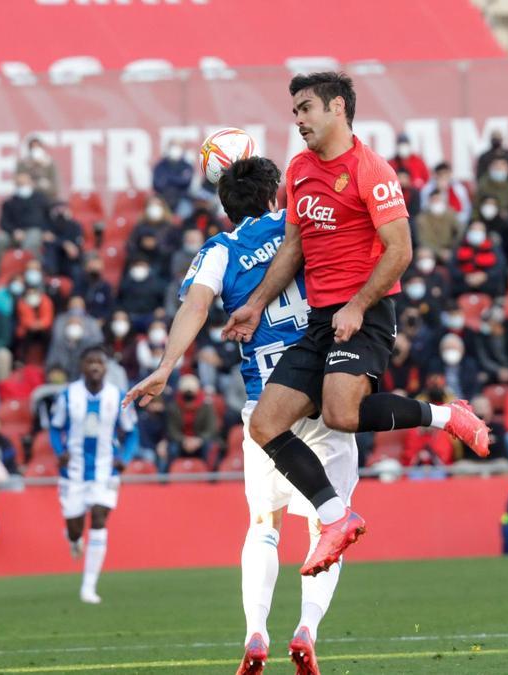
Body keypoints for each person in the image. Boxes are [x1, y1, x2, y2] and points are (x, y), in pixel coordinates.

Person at [223, 72, 489, 588]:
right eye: (294, 110)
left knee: (341, 413)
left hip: (365, 314)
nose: (297, 119)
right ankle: (335, 517)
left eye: (305, 109)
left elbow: (401, 251)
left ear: (337, 108)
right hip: (321, 321)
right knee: (264, 425)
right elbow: (293, 248)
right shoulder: (299, 170)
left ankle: (444, 414)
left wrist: (358, 304)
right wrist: (256, 304)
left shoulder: (371, 170)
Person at [122, 156, 358, 674]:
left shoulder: (219, 250)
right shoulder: (299, 222)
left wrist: (165, 367)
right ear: (273, 192)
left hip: (265, 406)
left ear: (223, 206)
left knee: (263, 525)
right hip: (320, 386)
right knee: (329, 526)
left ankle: (256, 632)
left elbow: (196, 306)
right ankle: (307, 628)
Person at [48, 346, 138, 605]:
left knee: (99, 517)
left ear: (106, 367)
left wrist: (126, 458)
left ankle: (89, 587)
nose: (95, 366)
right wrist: (60, 451)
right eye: (90, 362)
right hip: (73, 471)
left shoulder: (118, 397)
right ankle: (74, 538)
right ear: (82, 367)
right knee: (75, 529)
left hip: (104, 469)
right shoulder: (67, 396)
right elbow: (55, 428)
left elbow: (131, 432)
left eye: (99, 362)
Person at [0, 173, 48, 264]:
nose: (23, 187)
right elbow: (3, 222)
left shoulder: (40, 199)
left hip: (34, 230)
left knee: (31, 242)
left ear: (32, 183)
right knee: (0, 239)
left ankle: (31, 273)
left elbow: (47, 218)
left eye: (25, 183)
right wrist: (14, 231)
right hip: (15, 233)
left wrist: (46, 231)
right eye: (20, 184)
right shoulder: (9, 202)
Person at [450, 220, 506, 296]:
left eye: (480, 230)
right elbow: (452, 266)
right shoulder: (460, 246)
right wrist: (465, 276)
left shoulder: (493, 247)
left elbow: (500, 266)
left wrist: (485, 275)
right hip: (464, 284)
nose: (476, 232)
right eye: (474, 230)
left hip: (488, 284)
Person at [152, 141, 195, 217]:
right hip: (163, 198)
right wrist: (177, 178)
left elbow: (185, 182)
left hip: (182, 198)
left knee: (186, 212)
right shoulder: (160, 165)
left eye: (178, 147)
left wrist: (167, 178)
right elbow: (157, 184)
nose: (175, 150)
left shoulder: (187, 166)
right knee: (154, 211)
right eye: (173, 146)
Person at [16, 135, 59, 202]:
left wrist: (41, 166)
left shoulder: (49, 164)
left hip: (46, 200)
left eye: (37, 147)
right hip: (28, 202)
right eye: (32, 147)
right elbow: (20, 184)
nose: (35, 149)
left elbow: (55, 188)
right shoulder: (22, 164)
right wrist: (30, 166)